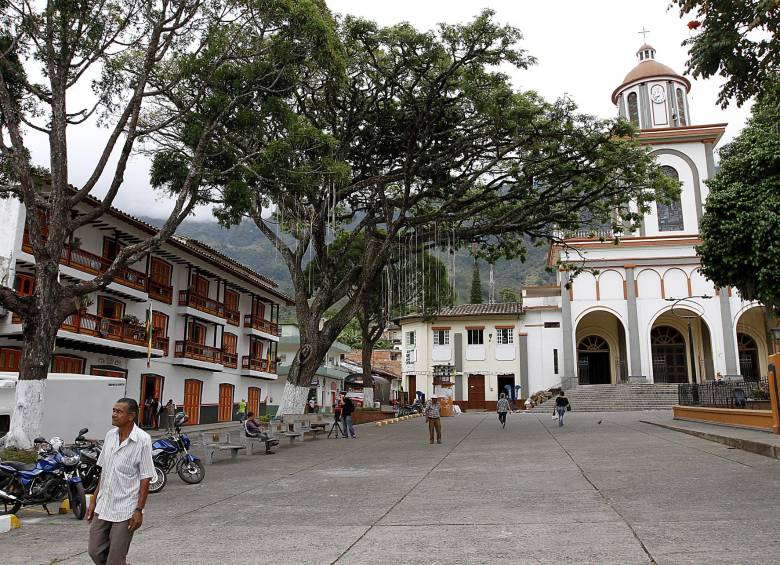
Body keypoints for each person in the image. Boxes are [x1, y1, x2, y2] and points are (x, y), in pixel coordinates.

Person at [87, 398, 154, 565]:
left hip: (126, 508)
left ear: (130, 416)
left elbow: (146, 477)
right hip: (104, 504)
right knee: (95, 551)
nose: (114, 414)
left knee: (115, 559)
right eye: (113, 410)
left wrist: (139, 510)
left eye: (118, 411)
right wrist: (94, 500)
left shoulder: (143, 440)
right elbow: (104, 471)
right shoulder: (110, 436)